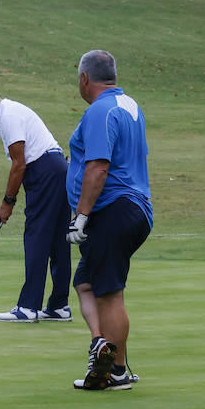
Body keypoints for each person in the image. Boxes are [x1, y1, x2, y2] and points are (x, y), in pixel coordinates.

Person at [67, 50, 152, 391]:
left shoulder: (100, 111)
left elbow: (98, 167)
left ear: (85, 78)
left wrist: (81, 217)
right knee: (86, 282)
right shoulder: (129, 106)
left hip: (113, 210)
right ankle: (101, 348)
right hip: (132, 209)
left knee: (110, 295)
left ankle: (116, 372)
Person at [0, 81, 72, 323]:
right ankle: (58, 306)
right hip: (57, 170)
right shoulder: (11, 113)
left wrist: (7, 202)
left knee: (36, 237)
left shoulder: (9, 115)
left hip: (45, 171)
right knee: (56, 240)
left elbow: (19, 164)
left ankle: (28, 307)